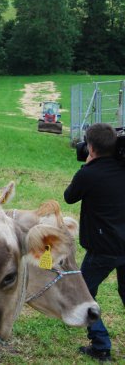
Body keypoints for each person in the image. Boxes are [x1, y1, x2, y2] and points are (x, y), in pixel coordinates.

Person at [64, 123, 125, 362]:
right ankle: (100, 343)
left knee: (83, 294)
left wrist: (87, 167)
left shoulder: (88, 174)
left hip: (103, 248)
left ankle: (101, 345)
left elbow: (69, 197)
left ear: (90, 146)